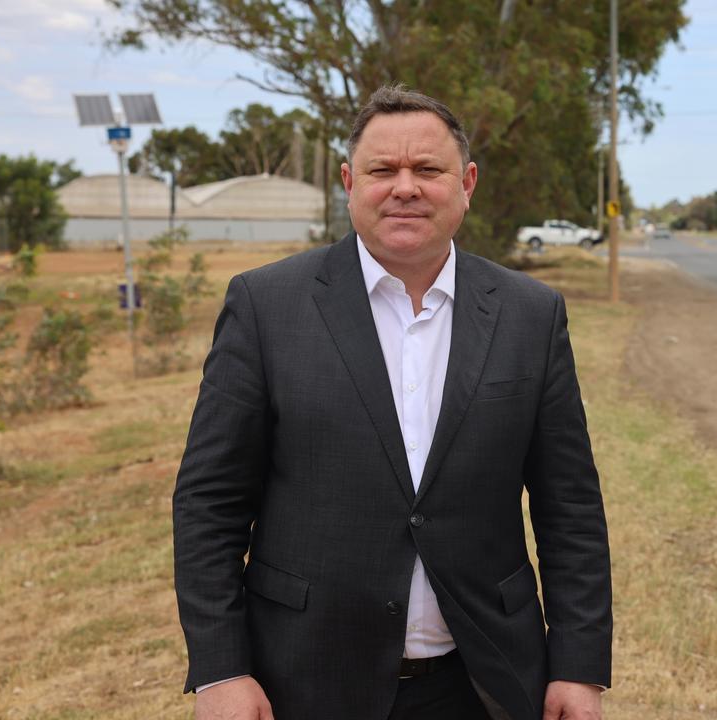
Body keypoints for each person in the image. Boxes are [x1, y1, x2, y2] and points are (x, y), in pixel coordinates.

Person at [173, 86, 612, 720]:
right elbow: (208, 501)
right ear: (350, 182)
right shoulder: (266, 306)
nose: (404, 187)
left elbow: (569, 505)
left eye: (427, 169)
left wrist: (578, 667)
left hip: (485, 681)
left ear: (467, 182)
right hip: (305, 677)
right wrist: (220, 671)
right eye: (383, 170)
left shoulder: (530, 314)